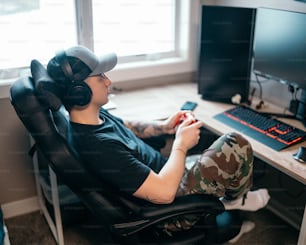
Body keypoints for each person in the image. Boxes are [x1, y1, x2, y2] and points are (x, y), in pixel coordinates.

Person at [47, 45, 270, 233]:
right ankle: (234, 201)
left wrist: (164, 127)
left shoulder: (89, 118)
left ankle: (231, 201)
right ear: (79, 91)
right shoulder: (98, 148)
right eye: (100, 77)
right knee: (235, 144)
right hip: (167, 210)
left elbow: (126, 127)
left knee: (212, 152)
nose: (108, 81)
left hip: (164, 175)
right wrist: (181, 145)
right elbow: (164, 194)